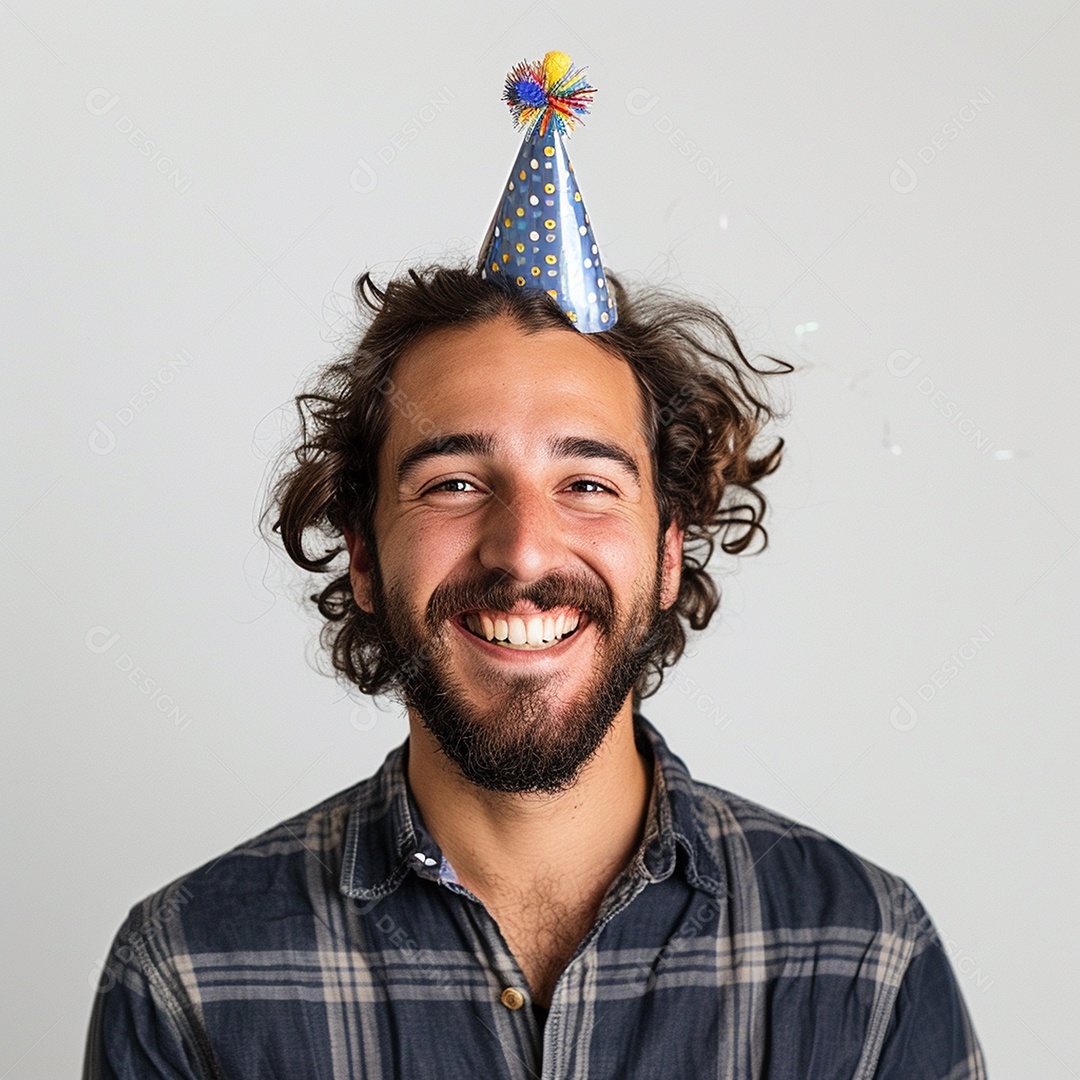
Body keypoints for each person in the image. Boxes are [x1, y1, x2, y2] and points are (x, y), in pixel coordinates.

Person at [84, 53, 986, 1079]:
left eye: (588, 484)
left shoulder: (867, 962)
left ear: (669, 546)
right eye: (455, 483)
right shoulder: (191, 977)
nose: (521, 550)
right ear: (365, 553)